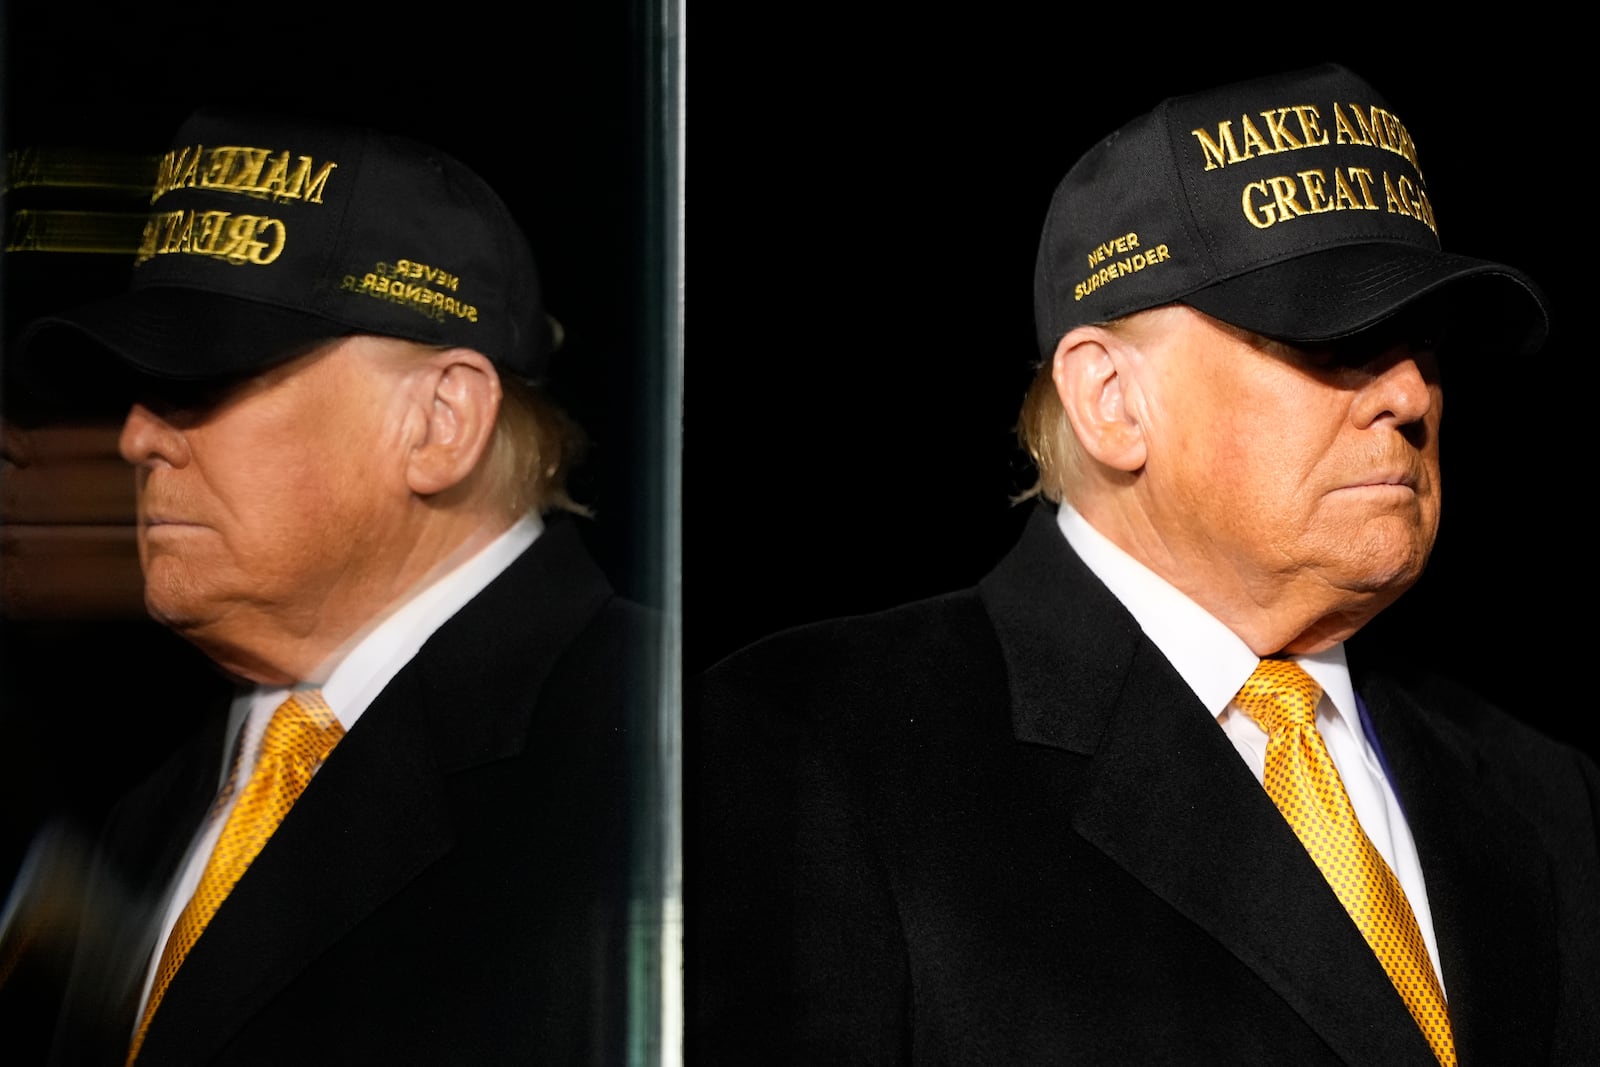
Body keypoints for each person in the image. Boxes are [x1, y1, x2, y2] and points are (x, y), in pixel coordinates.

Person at [688, 62, 1600, 1065]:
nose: (1410, 395)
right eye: (1332, 335)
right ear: (1111, 397)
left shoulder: (1540, 795)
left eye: (1423, 340)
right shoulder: (815, 747)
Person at [7, 107, 657, 1065]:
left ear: (440, 420)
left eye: (206, 376)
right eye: (136, 388)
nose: (137, 437)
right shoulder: (154, 803)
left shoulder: (672, 754)